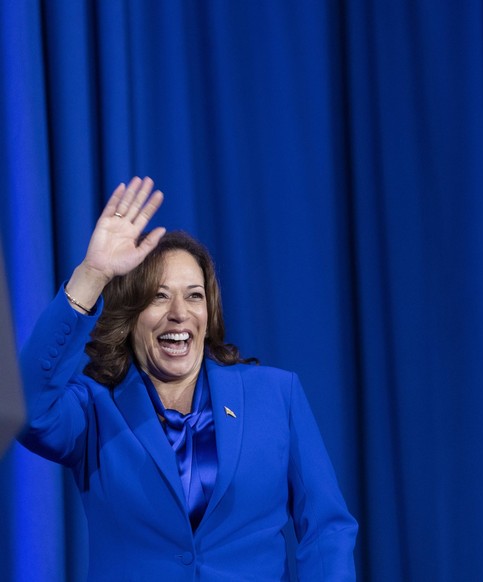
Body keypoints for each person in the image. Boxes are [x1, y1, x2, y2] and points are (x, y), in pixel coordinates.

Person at [17, 177, 357, 581]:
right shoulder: (95, 408)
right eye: (159, 296)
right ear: (130, 316)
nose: (179, 313)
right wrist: (92, 275)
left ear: (209, 311)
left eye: (194, 296)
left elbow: (326, 528)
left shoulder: (276, 395)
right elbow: (25, 408)